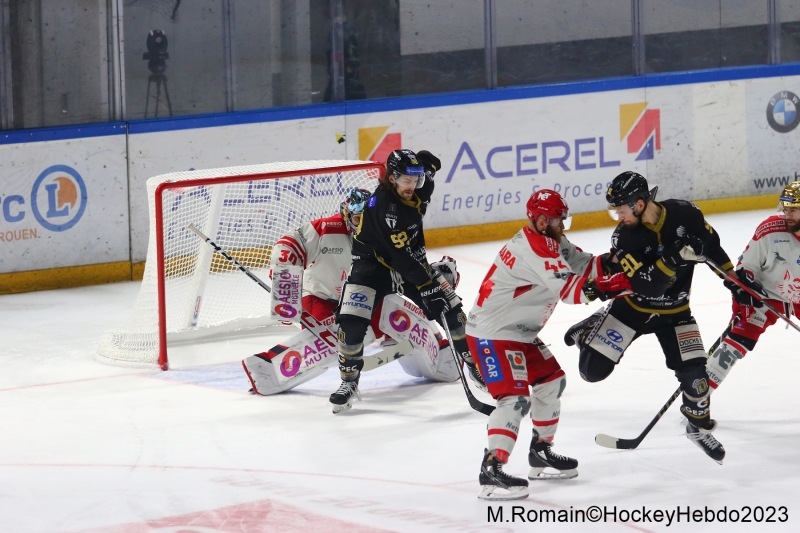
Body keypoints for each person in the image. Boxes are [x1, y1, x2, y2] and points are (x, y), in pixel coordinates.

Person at [466, 189, 629, 500]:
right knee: (514, 400)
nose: (562, 226)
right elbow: (571, 291)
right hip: (495, 333)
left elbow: (584, 265)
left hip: (518, 332)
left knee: (552, 382)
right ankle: (491, 469)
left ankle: (540, 451)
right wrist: (618, 283)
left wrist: (615, 261)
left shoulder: (550, 241)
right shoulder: (536, 248)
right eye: (557, 220)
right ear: (541, 221)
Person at [564, 171, 736, 465]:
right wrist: (673, 257)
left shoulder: (685, 213)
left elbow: (712, 246)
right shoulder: (624, 236)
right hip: (632, 310)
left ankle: (697, 426)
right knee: (591, 372)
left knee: (697, 380)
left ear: (640, 203)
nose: (617, 216)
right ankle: (597, 321)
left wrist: (733, 281)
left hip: (676, 314)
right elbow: (645, 284)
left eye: (620, 209)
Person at [330, 148, 482, 414]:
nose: (412, 186)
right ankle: (349, 382)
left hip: (408, 261)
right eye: (406, 181)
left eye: (416, 180)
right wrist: (427, 286)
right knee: (351, 322)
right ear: (392, 178)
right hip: (372, 267)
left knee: (451, 308)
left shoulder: (416, 187)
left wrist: (427, 166)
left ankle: (474, 364)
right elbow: (401, 257)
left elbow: (427, 179)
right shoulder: (384, 208)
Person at [706, 182, 800, 391]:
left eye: (793, 209)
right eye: (785, 209)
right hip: (764, 295)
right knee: (737, 343)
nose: (787, 215)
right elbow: (746, 268)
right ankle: (697, 400)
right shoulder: (770, 231)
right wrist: (744, 288)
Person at [269, 188, 382, 336]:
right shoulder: (326, 229)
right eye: (358, 219)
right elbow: (288, 243)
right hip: (320, 297)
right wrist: (284, 274)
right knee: (322, 338)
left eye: (369, 219)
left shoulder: (382, 233)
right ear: (346, 215)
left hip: (360, 298)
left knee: (389, 321)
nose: (362, 226)